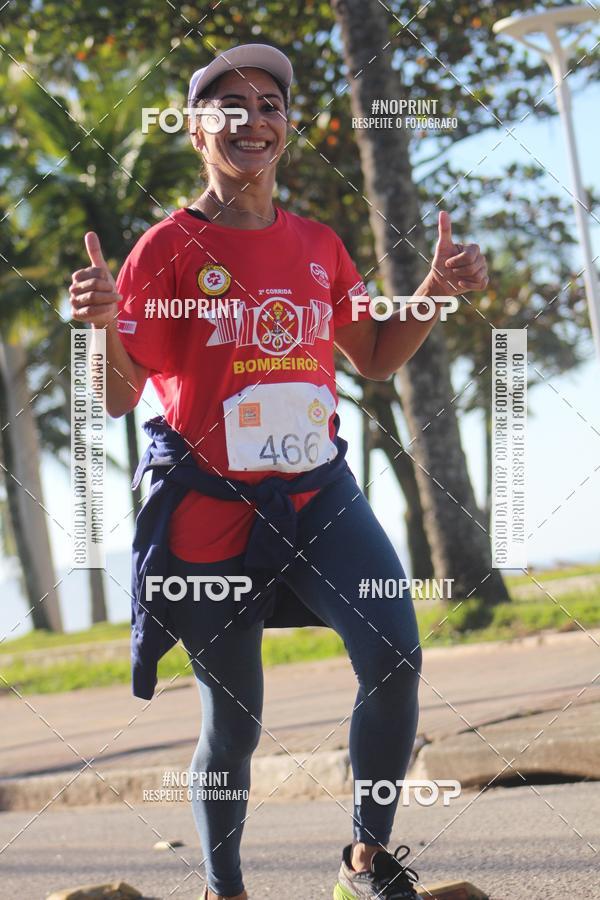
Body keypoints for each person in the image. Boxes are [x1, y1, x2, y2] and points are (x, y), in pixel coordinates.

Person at [69, 43, 488, 900]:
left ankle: (366, 863)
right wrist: (100, 326)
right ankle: (225, 888)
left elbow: (371, 356)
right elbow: (116, 396)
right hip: (209, 510)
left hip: (318, 494)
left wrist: (436, 293)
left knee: (396, 653)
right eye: (230, 106)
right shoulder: (166, 249)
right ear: (197, 130)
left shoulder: (317, 243)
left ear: (286, 128)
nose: (253, 119)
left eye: (270, 105)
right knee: (235, 725)